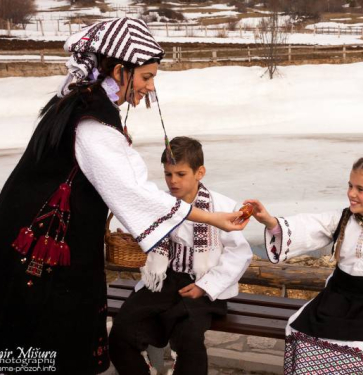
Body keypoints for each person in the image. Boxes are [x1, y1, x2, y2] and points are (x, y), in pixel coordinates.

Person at [0, 18, 246, 375]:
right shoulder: (92, 123)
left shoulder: (80, 102)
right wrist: (211, 218)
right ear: (119, 70)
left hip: (38, 237)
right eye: (146, 76)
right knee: (48, 339)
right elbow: (133, 192)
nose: (150, 87)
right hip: (44, 245)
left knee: (39, 335)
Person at [246, 156, 363, 374]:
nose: (351, 193)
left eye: (360, 189)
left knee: (356, 347)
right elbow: (308, 225)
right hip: (336, 297)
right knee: (301, 331)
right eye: (350, 186)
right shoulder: (342, 218)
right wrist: (270, 221)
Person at [109, 136, 253, 375]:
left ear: (200, 172)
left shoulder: (222, 207)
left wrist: (205, 286)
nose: (173, 181)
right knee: (122, 331)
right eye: (168, 174)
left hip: (203, 284)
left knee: (188, 338)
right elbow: (148, 233)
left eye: (181, 174)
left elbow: (240, 253)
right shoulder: (161, 204)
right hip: (164, 280)